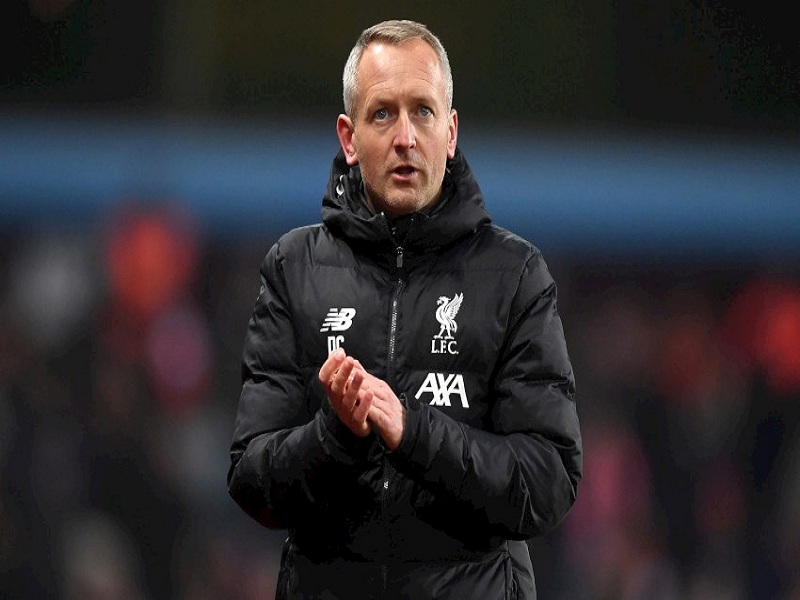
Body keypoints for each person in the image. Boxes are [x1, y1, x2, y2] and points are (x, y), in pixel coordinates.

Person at [228, 19, 582, 600]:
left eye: (422, 111)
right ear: (348, 138)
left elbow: (548, 483)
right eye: (382, 114)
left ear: (451, 131)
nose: (406, 137)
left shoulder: (516, 275)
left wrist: (414, 432)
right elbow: (252, 483)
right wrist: (336, 436)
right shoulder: (293, 267)